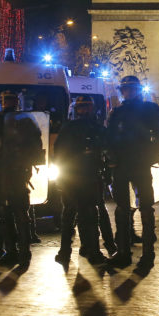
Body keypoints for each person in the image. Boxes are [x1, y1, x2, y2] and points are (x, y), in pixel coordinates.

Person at [105, 76, 159, 269]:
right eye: (126, 89)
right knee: (122, 210)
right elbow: (109, 138)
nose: (128, 92)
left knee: (146, 209)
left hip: (140, 164)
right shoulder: (117, 112)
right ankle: (123, 253)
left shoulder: (150, 109)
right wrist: (111, 159)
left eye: (131, 89)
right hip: (121, 165)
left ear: (137, 90)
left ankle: (148, 255)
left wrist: (152, 157)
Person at [0, 91, 44, 269]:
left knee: (20, 213)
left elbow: (36, 145)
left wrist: (25, 162)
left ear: (16, 102)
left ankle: (24, 252)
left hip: (18, 171)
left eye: (11, 100)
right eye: (6, 100)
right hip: (1, 172)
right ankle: (11, 251)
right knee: (5, 213)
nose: (9, 103)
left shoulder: (24, 120)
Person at [53, 95, 108, 266]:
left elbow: (106, 151)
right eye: (81, 108)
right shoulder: (71, 128)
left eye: (86, 107)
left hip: (89, 176)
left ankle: (89, 249)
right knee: (71, 214)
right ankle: (67, 251)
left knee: (88, 215)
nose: (84, 111)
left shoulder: (96, 129)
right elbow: (59, 153)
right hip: (74, 177)